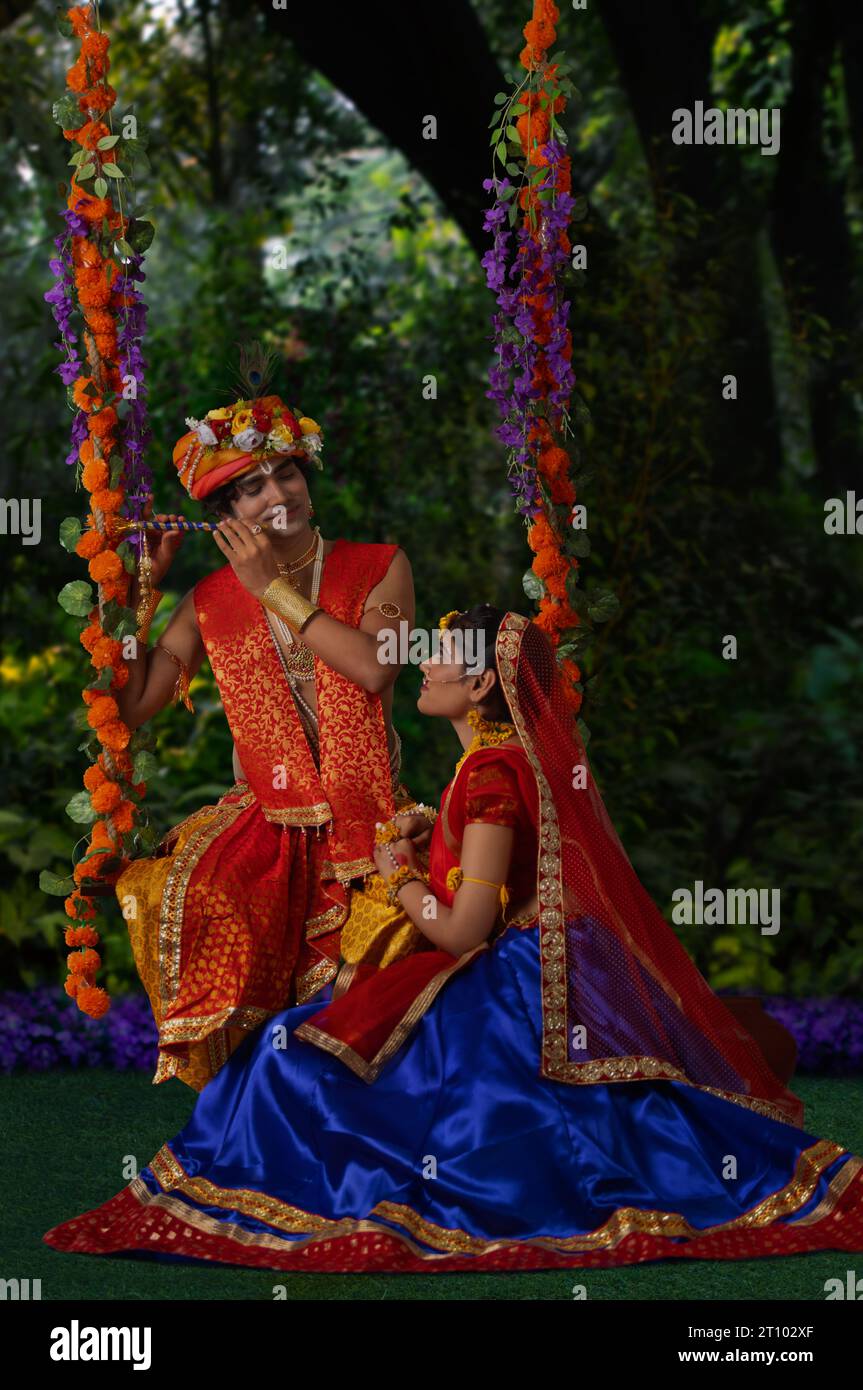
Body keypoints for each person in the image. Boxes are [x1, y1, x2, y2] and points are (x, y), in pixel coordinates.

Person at [43, 606, 863, 1272]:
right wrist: (427, 843)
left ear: (476, 683)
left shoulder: (492, 774)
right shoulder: (500, 763)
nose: (422, 666)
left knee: (295, 1055)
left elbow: (465, 927)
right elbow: (492, 878)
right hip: (541, 964)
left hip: (500, 981)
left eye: (437, 658)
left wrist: (397, 874)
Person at [112, 389, 415, 1091]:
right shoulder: (210, 599)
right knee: (190, 892)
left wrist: (271, 589)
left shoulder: (377, 564)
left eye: (286, 473)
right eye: (250, 488)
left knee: (391, 959)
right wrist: (143, 588)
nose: (277, 493)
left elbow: (374, 665)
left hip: (365, 811)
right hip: (266, 817)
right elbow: (131, 707)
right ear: (227, 518)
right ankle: (258, 1104)